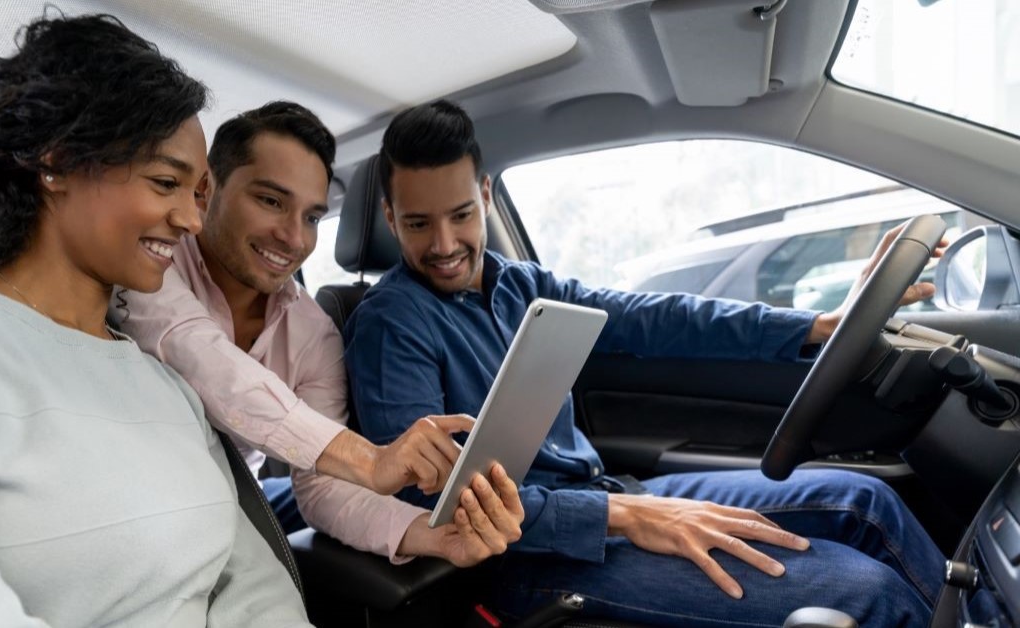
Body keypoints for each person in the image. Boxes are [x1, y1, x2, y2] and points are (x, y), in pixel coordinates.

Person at [344, 99, 948, 628]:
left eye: (460, 215)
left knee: (867, 503)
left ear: (483, 196)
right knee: (868, 593)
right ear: (392, 220)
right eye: (419, 224)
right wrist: (624, 516)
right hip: (526, 560)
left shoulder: (520, 284)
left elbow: (656, 316)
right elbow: (439, 507)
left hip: (609, 495)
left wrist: (812, 325)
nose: (445, 244)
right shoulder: (389, 322)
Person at [0, 14, 307, 627]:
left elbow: (253, 589)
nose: (189, 219)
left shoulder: (166, 387)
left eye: (199, 193)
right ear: (58, 163)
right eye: (165, 182)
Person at [114, 101, 523, 565]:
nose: (294, 238)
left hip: (227, 525)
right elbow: (197, 354)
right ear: (207, 189)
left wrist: (435, 536)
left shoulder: (315, 334)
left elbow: (324, 488)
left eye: (311, 217)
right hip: (117, 514)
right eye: (270, 201)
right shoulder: (152, 259)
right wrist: (369, 459)